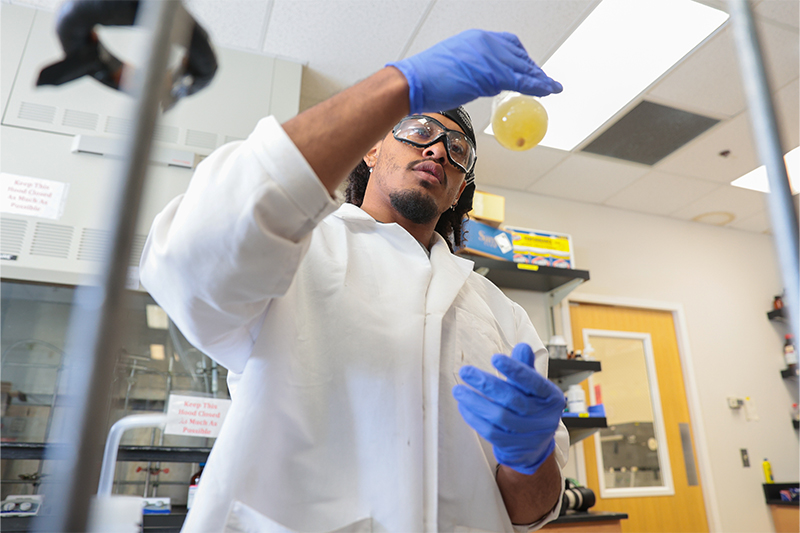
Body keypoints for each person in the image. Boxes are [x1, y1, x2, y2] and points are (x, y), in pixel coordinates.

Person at [140, 29, 569, 532]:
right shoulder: (297, 249)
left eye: (458, 149)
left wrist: (531, 458)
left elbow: (530, 513)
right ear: (370, 151)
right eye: (418, 129)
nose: (438, 150)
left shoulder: (502, 314)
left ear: (457, 192)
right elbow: (190, 255)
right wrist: (398, 85)